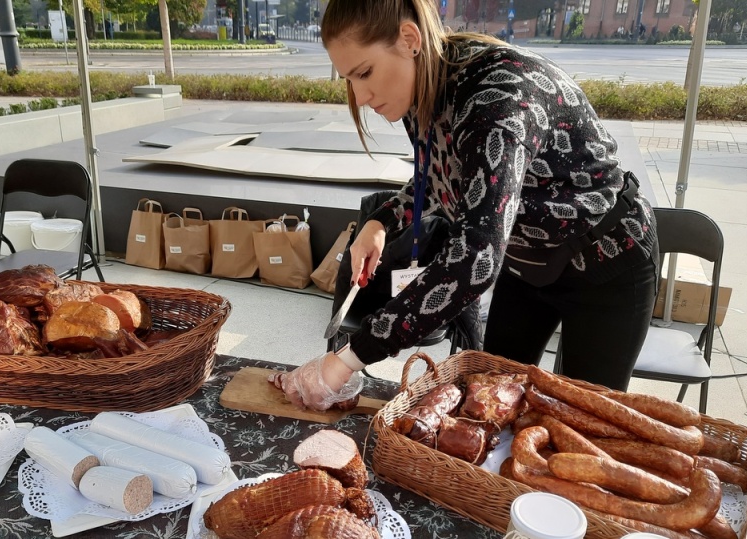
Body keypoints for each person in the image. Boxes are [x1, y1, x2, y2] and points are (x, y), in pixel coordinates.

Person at [273, 0, 658, 410]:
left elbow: (476, 253)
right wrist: (381, 223)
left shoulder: (498, 97)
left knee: (584, 422)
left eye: (365, 72)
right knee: (489, 401)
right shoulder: (420, 88)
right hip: (526, 262)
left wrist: (346, 359)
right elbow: (441, 179)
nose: (361, 95)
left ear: (409, 40)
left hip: (606, 260)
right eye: (349, 79)